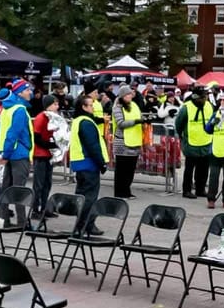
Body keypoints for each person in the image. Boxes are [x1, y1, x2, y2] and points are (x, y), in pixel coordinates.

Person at [0, 80, 33, 226]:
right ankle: (22, 222)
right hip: (18, 154)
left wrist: (3, 153)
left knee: (6, 187)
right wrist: (6, 154)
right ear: (20, 92)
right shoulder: (19, 110)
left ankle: (3, 219)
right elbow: (13, 133)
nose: (30, 92)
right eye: (27, 90)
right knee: (19, 188)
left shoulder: (6, 109)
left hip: (8, 152)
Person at [69, 91, 109, 233]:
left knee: (82, 195)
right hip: (88, 163)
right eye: (90, 105)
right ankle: (86, 225)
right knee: (89, 197)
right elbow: (93, 146)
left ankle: (81, 224)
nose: (93, 108)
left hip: (79, 162)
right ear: (84, 107)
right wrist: (102, 163)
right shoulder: (86, 122)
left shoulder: (78, 121)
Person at [177, 87, 214, 200]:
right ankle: (187, 190)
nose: (205, 99)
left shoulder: (209, 105)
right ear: (196, 97)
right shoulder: (186, 108)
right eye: (203, 97)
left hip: (206, 141)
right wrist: (181, 137)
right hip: (191, 142)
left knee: (203, 168)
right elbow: (179, 124)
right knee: (189, 168)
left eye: (206, 96)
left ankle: (200, 189)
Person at [110, 85, 145, 198]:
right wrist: (136, 121)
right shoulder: (117, 107)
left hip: (134, 140)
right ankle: (119, 192)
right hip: (122, 142)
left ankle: (127, 190)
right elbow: (121, 123)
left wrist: (144, 121)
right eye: (129, 94)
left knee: (130, 169)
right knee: (121, 170)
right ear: (123, 95)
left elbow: (139, 116)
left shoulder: (134, 105)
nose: (131, 95)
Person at [30, 94, 60, 224]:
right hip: (40, 154)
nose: (57, 106)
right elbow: (37, 138)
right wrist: (50, 145)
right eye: (55, 104)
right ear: (48, 106)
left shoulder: (53, 118)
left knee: (47, 183)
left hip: (48, 155)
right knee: (39, 184)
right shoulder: (41, 118)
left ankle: (44, 207)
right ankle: (35, 209)